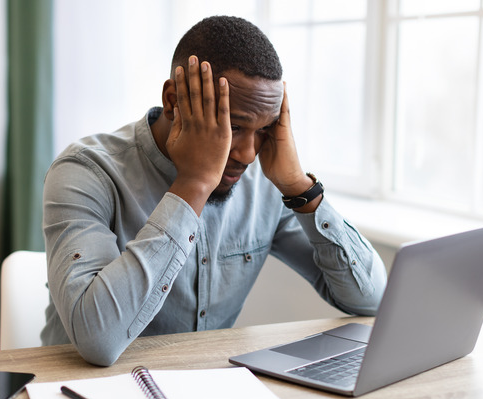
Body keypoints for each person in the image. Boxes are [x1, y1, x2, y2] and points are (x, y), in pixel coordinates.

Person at [41, 15, 387, 366]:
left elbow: (372, 300)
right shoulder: (86, 171)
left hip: (210, 392)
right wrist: (193, 184)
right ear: (173, 101)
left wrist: (299, 187)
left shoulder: (266, 182)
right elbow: (97, 340)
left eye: (265, 129)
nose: (248, 154)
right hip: (85, 397)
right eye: (233, 125)